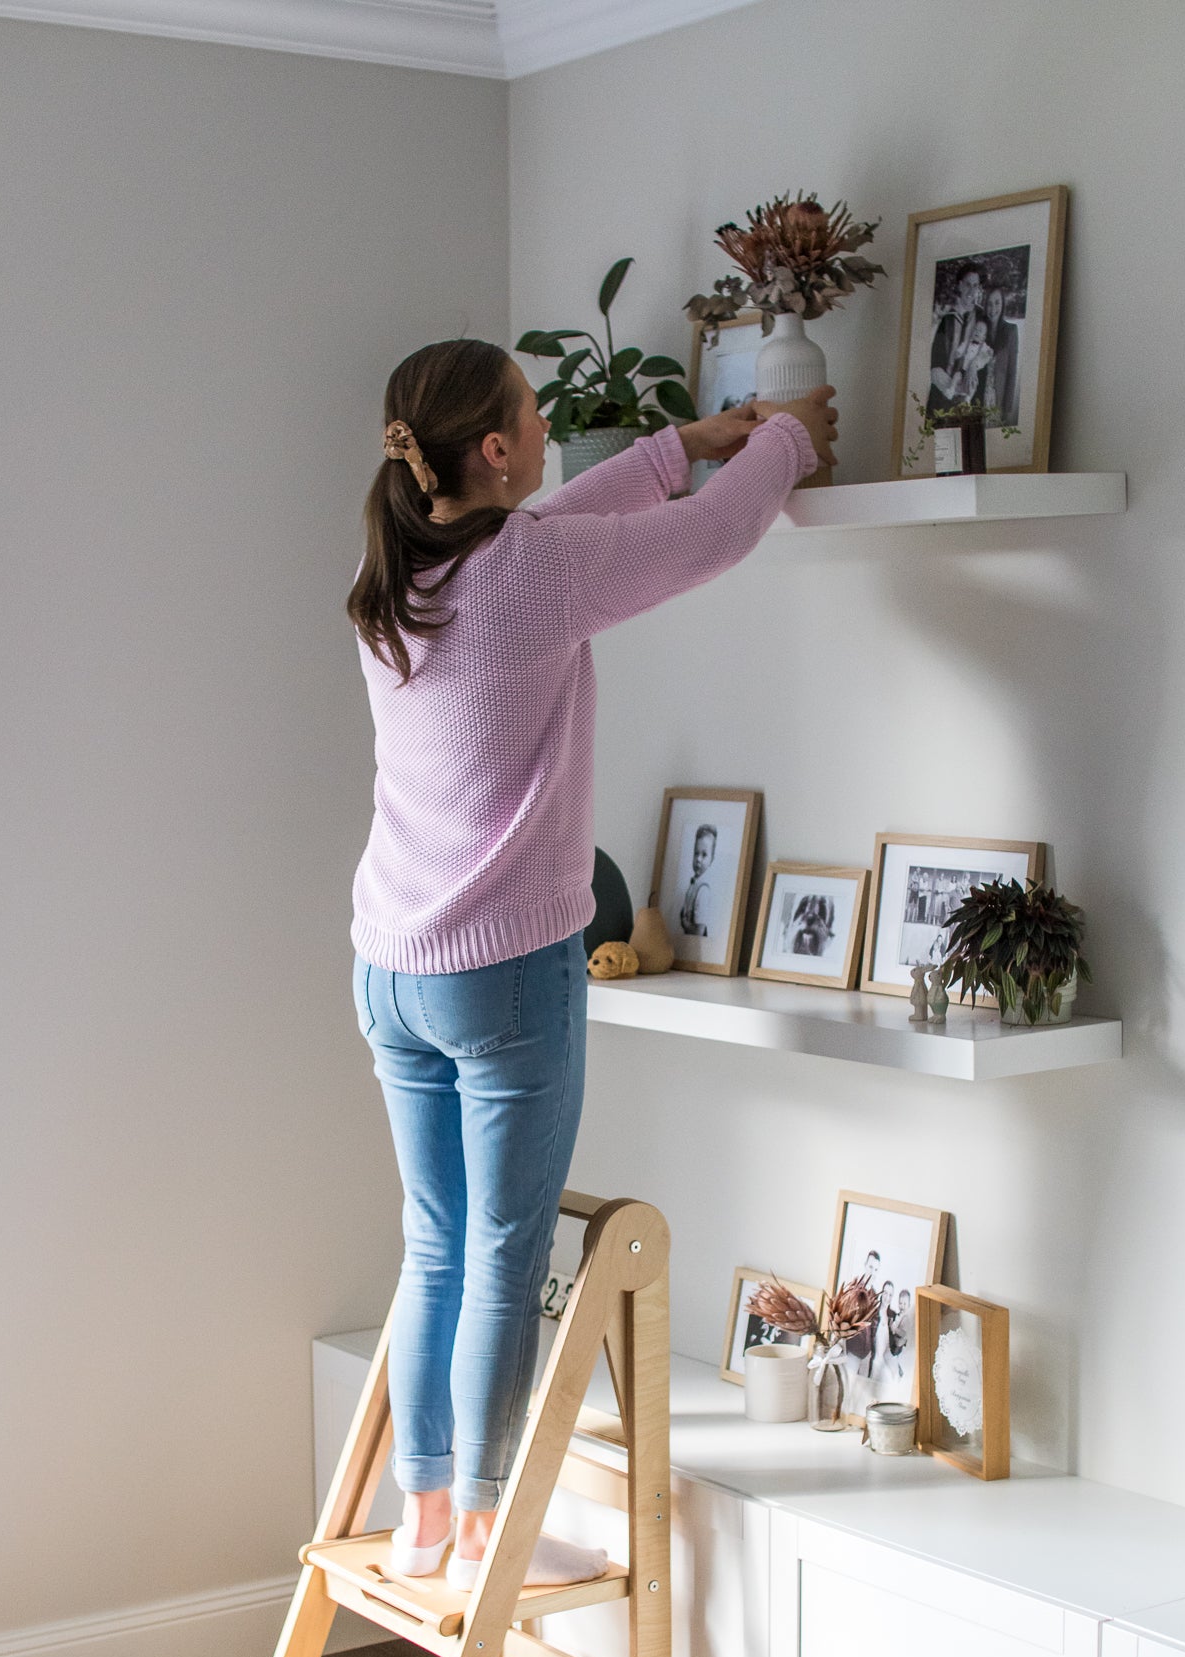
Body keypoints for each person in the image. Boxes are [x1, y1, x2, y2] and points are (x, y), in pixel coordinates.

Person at [347, 339, 835, 1589]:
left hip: (392, 966)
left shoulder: (397, 577)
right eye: (531, 404)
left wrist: (684, 446)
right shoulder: (535, 576)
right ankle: (493, 1531)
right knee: (507, 1252)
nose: (547, 415)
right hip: (504, 969)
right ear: (495, 446)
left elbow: (555, 524)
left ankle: (421, 1521)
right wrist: (788, 437)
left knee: (440, 1245)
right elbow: (716, 540)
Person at [927, 265, 983, 416]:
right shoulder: (948, 319)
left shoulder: (982, 318)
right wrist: (952, 392)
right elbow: (936, 363)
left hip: (971, 395)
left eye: (975, 285)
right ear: (960, 285)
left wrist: (973, 365)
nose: (971, 291)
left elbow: (987, 351)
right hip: (944, 393)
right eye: (967, 284)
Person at [981, 285, 1020, 426]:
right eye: (989, 304)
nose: (993, 308)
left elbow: (1011, 372)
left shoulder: (1011, 331)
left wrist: (1007, 408)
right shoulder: (979, 329)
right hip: (977, 398)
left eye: (997, 303)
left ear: (1002, 304)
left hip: (997, 399)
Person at [680, 824, 717, 935]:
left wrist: (685, 924)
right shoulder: (693, 884)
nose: (698, 859)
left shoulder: (703, 890)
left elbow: (699, 932)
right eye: (696, 853)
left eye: (704, 855)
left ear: (711, 859)